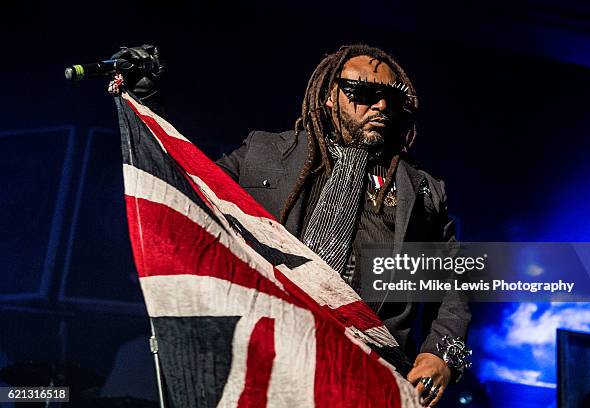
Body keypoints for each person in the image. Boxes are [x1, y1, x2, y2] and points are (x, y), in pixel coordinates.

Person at [113, 43, 471, 407]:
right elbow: (186, 190)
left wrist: (441, 353)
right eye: (363, 93)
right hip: (275, 354)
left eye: (389, 97)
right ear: (331, 96)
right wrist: (147, 104)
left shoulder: (422, 189)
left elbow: (457, 281)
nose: (379, 105)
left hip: (370, 369)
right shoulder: (263, 152)